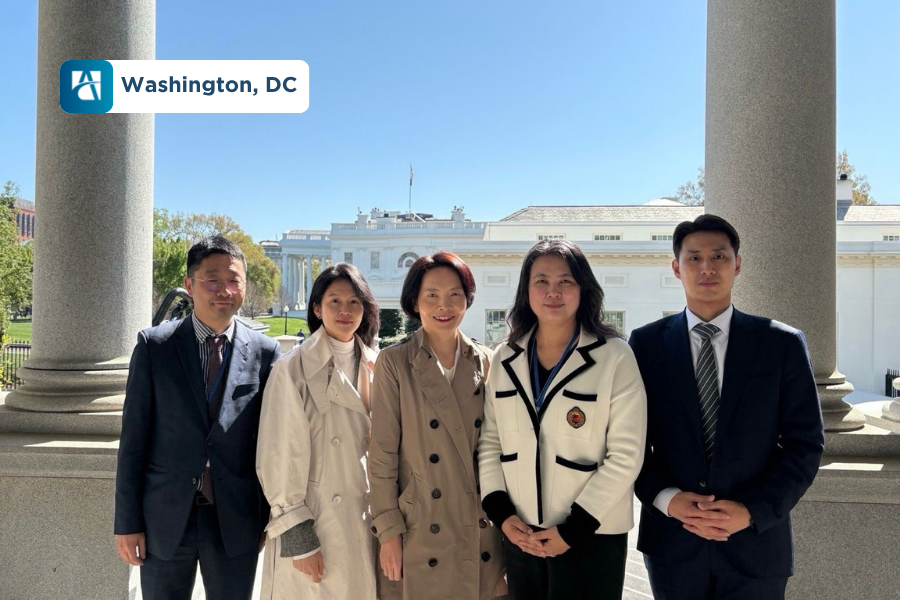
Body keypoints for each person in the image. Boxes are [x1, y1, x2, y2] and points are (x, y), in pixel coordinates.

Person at [628, 214, 825, 600]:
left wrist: (751, 510)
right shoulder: (646, 344)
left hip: (757, 545)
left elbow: (805, 443)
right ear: (676, 267)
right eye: (694, 258)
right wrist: (668, 500)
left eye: (719, 256)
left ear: (737, 264)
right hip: (673, 543)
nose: (707, 268)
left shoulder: (780, 344)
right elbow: (629, 441)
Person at [478, 239, 647, 600]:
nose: (553, 292)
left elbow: (627, 454)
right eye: (541, 281)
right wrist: (503, 515)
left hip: (592, 535)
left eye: (565, 281)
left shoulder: (614, 355)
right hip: (521, 533)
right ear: (526, 290)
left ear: (583, 288)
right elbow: (490, 441)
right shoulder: (505, 357)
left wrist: (574, 530)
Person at [114, 235, 281, 600]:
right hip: (165, 518)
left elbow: (272, 442)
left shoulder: (266, 353)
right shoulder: (154, 346)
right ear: (190, 284)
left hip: (235, 520)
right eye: (212, 279)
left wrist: (267, 514)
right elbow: (133, 443)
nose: (224, 289)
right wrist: (127, 524)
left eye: (234, 280)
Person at [368, 251, 506, 600]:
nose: (443, 306)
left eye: (454, 295)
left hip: (478, 524)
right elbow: (382, 453)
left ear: (467, 299)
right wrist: (387, 532)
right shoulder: (394, 362)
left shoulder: (486, 360)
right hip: (419, 528)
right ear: (415, 301)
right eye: (432, 295)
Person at [256, 263, 381, 599]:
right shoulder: (292, 367)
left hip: (364, 518)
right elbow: (279, 452)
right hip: (316, 521)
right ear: (316, 308)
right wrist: (298, 537)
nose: (345, 311)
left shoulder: (378, 364)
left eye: (354, 302)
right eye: (334, 301)